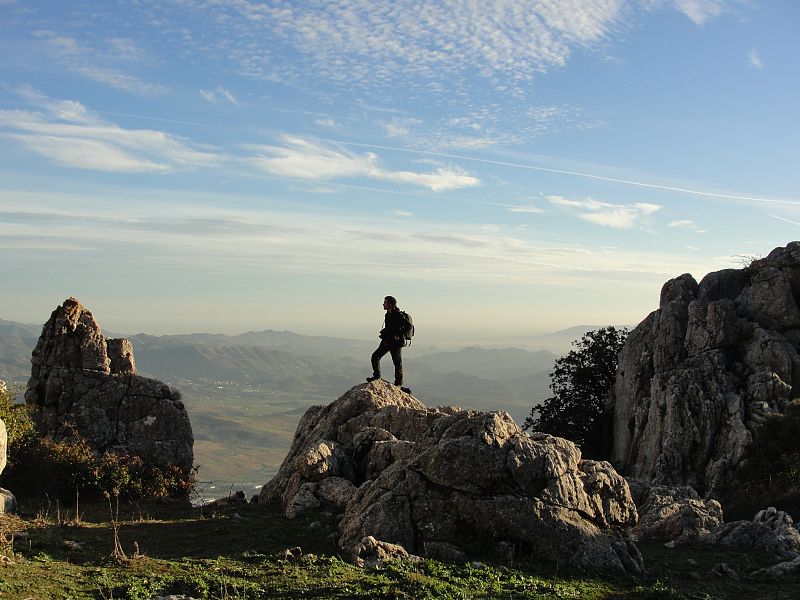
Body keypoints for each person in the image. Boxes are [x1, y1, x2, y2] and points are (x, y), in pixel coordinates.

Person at [367, 295, 410, 392]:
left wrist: (398, 334)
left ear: (390, 304)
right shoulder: (388, 314)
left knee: (397, 362)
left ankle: (398, 383)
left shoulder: (398, 315)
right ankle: (377, 376)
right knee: (375, 356)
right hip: (387, 341)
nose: (383, 304)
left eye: (385, 302)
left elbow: (408, 326)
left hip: (396, 343)